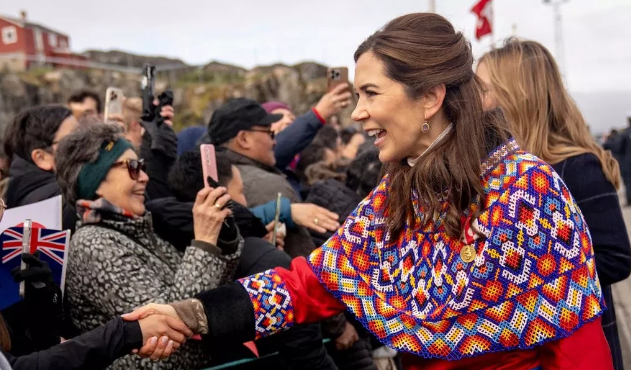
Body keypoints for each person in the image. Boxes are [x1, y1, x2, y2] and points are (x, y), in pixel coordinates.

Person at [127, 13, 613, 370]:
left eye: (371, 93)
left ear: (429, 96)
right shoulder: (396, 192)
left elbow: (577, 345)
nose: (356, 112)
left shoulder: (528, 190)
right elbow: (313, 283)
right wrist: (194, 313)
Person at [477, 38, 631, 370]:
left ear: (518, 95)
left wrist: (530, 272)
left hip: (576, 348)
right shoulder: (499, 170)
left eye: (483, 89)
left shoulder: (576, 166)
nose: (477, 102)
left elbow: (616, 258)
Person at [54, 123, 242, 370]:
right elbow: (169, 322)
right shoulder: (93, 244)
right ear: (96, 181)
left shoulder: (135, 228)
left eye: (142, 166)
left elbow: (205, 292)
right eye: (132, 168)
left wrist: (222, 240)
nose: (144, 176)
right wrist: (204, 242)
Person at [146, 151, 340, 370]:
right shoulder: (253, 256)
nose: (246, 201)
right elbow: (307, 351)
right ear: (221, 196)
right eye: (240, 191)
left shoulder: (164, 234)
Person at [208, 98, 338, 257]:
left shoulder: (211, 178)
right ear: (244, 139)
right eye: (269, 133)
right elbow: (301, 258)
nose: (275, 141)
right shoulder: (269, 186)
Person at [3, 105, 79, 231]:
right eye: (73, 140)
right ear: (41, 158)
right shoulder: (67, 201)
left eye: (84, 133)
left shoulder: (21, 191)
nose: (86, 142)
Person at [261, 85, 352, 171]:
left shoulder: (309, 157)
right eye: (278, 117)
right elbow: (276, 150)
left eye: (292, 118)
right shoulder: (259, 158)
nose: (288, 121)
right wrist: (318, 114)